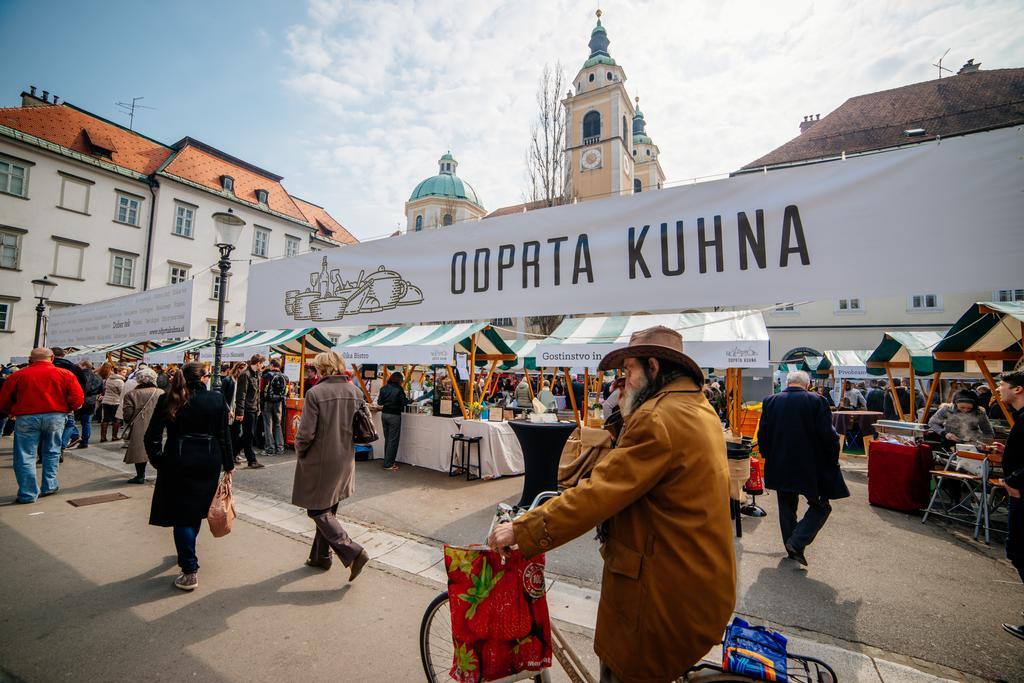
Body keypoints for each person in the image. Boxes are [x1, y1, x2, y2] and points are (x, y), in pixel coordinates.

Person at [488, 326, 735, 682]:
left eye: (629, 370)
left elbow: (597, 494)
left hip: (658, 597)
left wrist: (523, 529)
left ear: (653, 367)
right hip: (697, 587)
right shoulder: (696, 406)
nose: (623, 381)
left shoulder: (657, 418)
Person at [144, 362, 234, 591]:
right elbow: (225, 435)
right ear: (203, 377)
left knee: (183, 515)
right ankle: (188, 557)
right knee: (194, 511)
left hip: (178, 458)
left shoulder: (169, 397)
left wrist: (159, 461)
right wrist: (228, 463)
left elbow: (152, 435)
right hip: (209, 458)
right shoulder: (216, 398)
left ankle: (189, 567)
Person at [758, 370, 849, 566]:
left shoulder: (770, 401)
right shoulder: (817, 401)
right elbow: (828, 435)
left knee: (786, 507)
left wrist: (767, 455)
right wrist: (833, 458)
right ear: (807, 384)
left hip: (780, 462)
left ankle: (793, 545)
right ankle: (797, 542)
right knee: (821, 506)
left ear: (788, 383)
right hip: (810, 465)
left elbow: (763, 433)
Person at [291, 351, 370, 581]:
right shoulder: (355, 392)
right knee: (328, 508)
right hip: (345, 457)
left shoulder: (315, 393)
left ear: (322, 369)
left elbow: (305, 434)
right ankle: (321, 557)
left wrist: (300, 450)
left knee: (317, 510)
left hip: (320, 460)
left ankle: (352, 551)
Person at [0, 348, 84, 503]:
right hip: (55, 415)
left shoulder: (18, 375)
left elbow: (4, 399)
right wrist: (69, 408)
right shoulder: (65, 374)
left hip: (26, 416)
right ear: (51, 358)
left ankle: (28, 493)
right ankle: (49, 485)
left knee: (25, 455)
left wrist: (10, 411)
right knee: (52, 451)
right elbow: (77, 398)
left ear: (30, 359)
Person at [991, 372, 1024, 640]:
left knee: (1021, 552)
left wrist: (1015, 480)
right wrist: (1007, 453)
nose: (999, 390)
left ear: (1019, 389)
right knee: (1018, 551)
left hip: (1021, 493)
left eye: (1002, 385)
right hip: (1017, 492)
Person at [121, 367, 163, 484]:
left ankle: (140, 476)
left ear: (139, 380)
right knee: (159, 449)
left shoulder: (132, 394)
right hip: (159, 426)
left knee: (140, 450)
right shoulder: (161, 392)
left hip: (140, 426)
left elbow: (127, 415)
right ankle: (161, 475)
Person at [52, 347, 88, 450]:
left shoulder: (47, 367)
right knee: (68, 424)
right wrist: (78, 402)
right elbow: (81, 386)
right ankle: (61, 446)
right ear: (63, 355)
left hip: (46, 403)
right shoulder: (73, 368)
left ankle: (51, 451)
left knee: (48, 431)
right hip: (67, 403)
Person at [928, 389, 994, 445]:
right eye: (962, 407)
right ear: (955, 404)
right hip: (948, 442)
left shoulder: (979, 412)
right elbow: (932, 423)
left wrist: (982, 442)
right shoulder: (946, 409)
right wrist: (944, 433)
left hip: (972, 444)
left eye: (969, 408)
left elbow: (988, 432)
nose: (965, 410)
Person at [234, 354, 265, 469]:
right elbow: (241, 395)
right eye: (262, 364)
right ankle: (252, 460)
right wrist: (240, 412)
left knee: (248, 434)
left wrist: (258, 408)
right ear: (258, 363)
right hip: (247, 409)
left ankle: (232, 453)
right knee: (249, 435)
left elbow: (256, 394)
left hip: (253, 408)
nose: (262, 366)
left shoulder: (256, 374)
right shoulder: (245, 375)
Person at [377, 371, 410, 471]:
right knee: (393, 440)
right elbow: (405, 402)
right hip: (394, 415)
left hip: (384, 414)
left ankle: (387, 461)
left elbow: (379, 402)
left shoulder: (384, 388)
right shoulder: (399, 389)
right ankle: (388, 464)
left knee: (388, 439)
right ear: (399, 379)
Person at [261, 359, 288, 455]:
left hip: (268, 401)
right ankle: (280, 448)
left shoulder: (267, 376)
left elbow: (262, 388)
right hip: (279, 402)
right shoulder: (285, 377)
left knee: (268, 424)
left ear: (272, 365)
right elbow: (286, 390)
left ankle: (270, 448)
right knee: (277, 424)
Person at [76, 361, 103, 449]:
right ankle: (85, 441)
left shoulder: (79, 375)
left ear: (84, 366)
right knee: (87, 422)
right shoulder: (98, 377)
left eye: (80, 365)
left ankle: (75, 437)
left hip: (80, 400)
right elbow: (100, 390)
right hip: (91, 401)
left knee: (70, 421)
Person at [98, 364, 125, 442]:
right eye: (123, 372)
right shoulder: (120, 381)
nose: (125, 374)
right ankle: (114, 436)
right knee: (116, 420)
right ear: (118, 372)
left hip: (106, 401)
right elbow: (122, 393)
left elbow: (105, 389)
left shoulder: (108, 379)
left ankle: (103, 437)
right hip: (115, 402)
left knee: (105, 419)